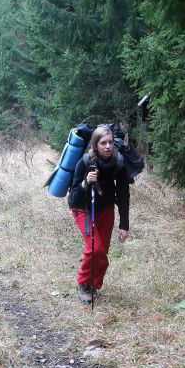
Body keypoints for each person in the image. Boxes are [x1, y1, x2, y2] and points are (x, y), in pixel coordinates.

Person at [68, 125, 130, 303]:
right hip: (83, 209)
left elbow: (123, 195)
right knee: (95, 248)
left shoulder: (119, 163)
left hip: (106, 208)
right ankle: (83, 283)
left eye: (110, 142)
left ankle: (93, 285)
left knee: (102, 252)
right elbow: (73, 196)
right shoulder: (85, 162)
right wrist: (85, 183)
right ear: (95, 145)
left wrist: (124, 225)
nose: (108, 146)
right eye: (103, 143)